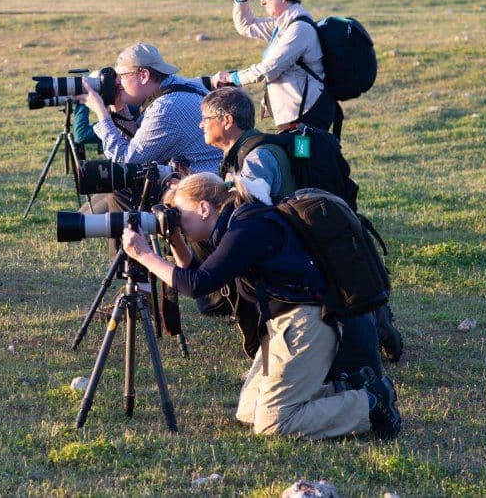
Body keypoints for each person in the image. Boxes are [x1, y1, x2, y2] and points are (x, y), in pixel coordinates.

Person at [121, 173, 401, 440]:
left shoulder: (247, 226)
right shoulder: (236, 222)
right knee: (249, 410)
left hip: (305, 325)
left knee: (272, 421)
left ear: (204, 208)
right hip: (275, 330)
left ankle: (370, 402)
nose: (177, 221)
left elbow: (196, 285)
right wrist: (176, 240)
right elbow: (202, 276)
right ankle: (345, 387)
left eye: (181, 214)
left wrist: (144, 255)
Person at [199, 86, 400, 376]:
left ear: (227, 120)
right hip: (306, 238)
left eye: (206, 118)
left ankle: (269, 366)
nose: (201, 124)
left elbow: (252, 207)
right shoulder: (249, 149)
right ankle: (380, 329)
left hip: (295, 246)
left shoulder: (256, 157)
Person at [75, 42, 222, 223]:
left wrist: (101, 112)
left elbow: (125, 162)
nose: (117, 84)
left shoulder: (165, 107)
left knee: (122, 189)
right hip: (201, 176)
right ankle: (83, 221)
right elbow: (140, 144)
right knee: (92, 208)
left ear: (144, 75)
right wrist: (119, 108)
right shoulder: (176, 86)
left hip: (204, 187)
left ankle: (132, 248)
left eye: (121, 76)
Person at [211, 0, 337, 132]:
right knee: (298, 155)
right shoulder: (283, 24)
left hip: (305, 112)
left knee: (303, 155)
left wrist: (233, 77)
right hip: (296, 111)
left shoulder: (298, 29)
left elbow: (268, 69)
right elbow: (246, 26)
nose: (262, 2)